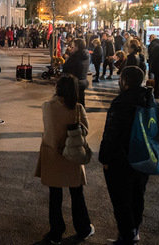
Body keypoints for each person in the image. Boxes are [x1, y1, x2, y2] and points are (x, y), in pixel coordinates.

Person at [35, 74, 95, 245]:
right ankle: (83, 229)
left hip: (53, 155)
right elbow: (85, 130)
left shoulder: (47, 106)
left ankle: (56, 233)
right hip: (71, 156)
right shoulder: (77, 109)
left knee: (55, 196)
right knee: (77, 194)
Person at [99, 66, 152, 244]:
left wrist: (105, 159)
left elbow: (111, 134)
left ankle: (126, 236)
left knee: (121, 199)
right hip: (144, 157)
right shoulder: (150, 100)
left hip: (121, 160)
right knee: (138, 194)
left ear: (125, 81)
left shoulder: (120, 103)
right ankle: (135, 229)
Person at [62, 38, 90, 107]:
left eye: (72, 47)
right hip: (83, 80)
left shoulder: (75, 56)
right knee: (81, 101)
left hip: (74, 82)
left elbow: (65, 67)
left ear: (77, 47)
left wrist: (68, 57)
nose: (71, 49)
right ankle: (82, 115)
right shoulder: (87, 54)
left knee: (72, 103)